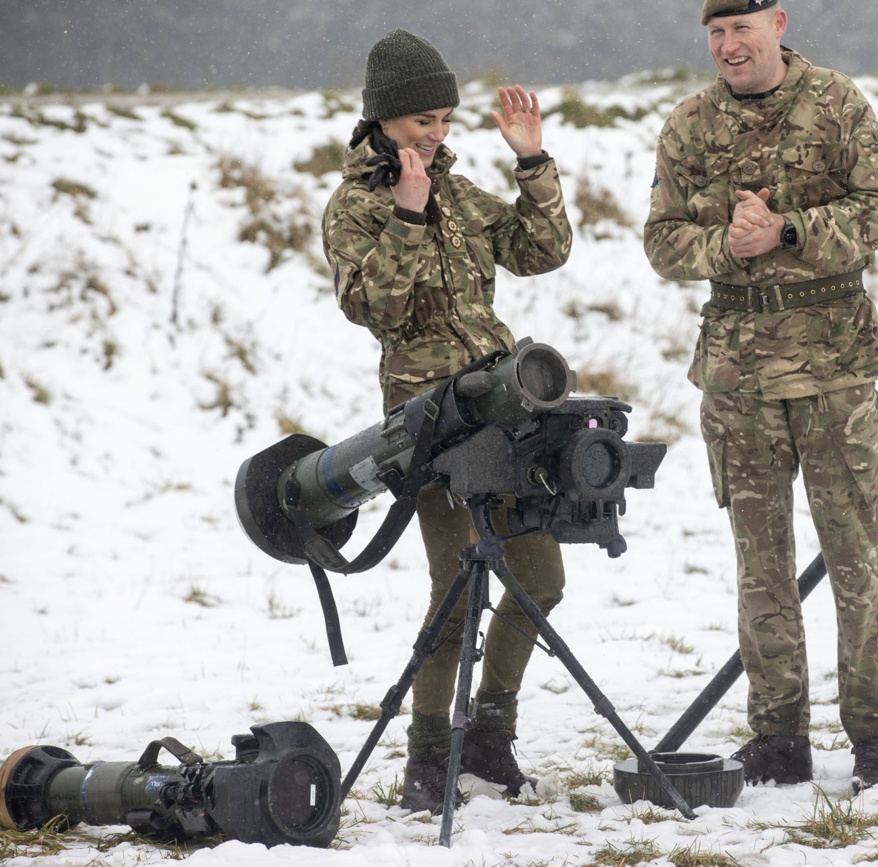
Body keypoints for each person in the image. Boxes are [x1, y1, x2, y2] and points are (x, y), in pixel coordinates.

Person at [643, 0, 878, 792]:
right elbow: (661, 240)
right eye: (716, 33)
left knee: (856, 554)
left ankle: (873, 737)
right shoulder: (688, 124)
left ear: (778, 24)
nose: (729, 45)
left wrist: (788, 230)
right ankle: (779, 735)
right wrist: (727, 241)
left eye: (742, 29)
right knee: (760, 563)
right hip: (738, 376)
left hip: (833, 369)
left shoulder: (836, 102)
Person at [321, 28, 572, 812]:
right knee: (455, 584)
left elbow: (544, 250)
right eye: (420, 120)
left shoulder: (462, 194)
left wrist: (532, 164)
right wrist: (405, 213)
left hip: (504, 406)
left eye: (443, 119)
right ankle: (428, 758)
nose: (434, 134)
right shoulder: (354, 206)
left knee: (539, 578)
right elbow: (373, 308)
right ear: (383, 120)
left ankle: (490, 738)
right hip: (425, 421)